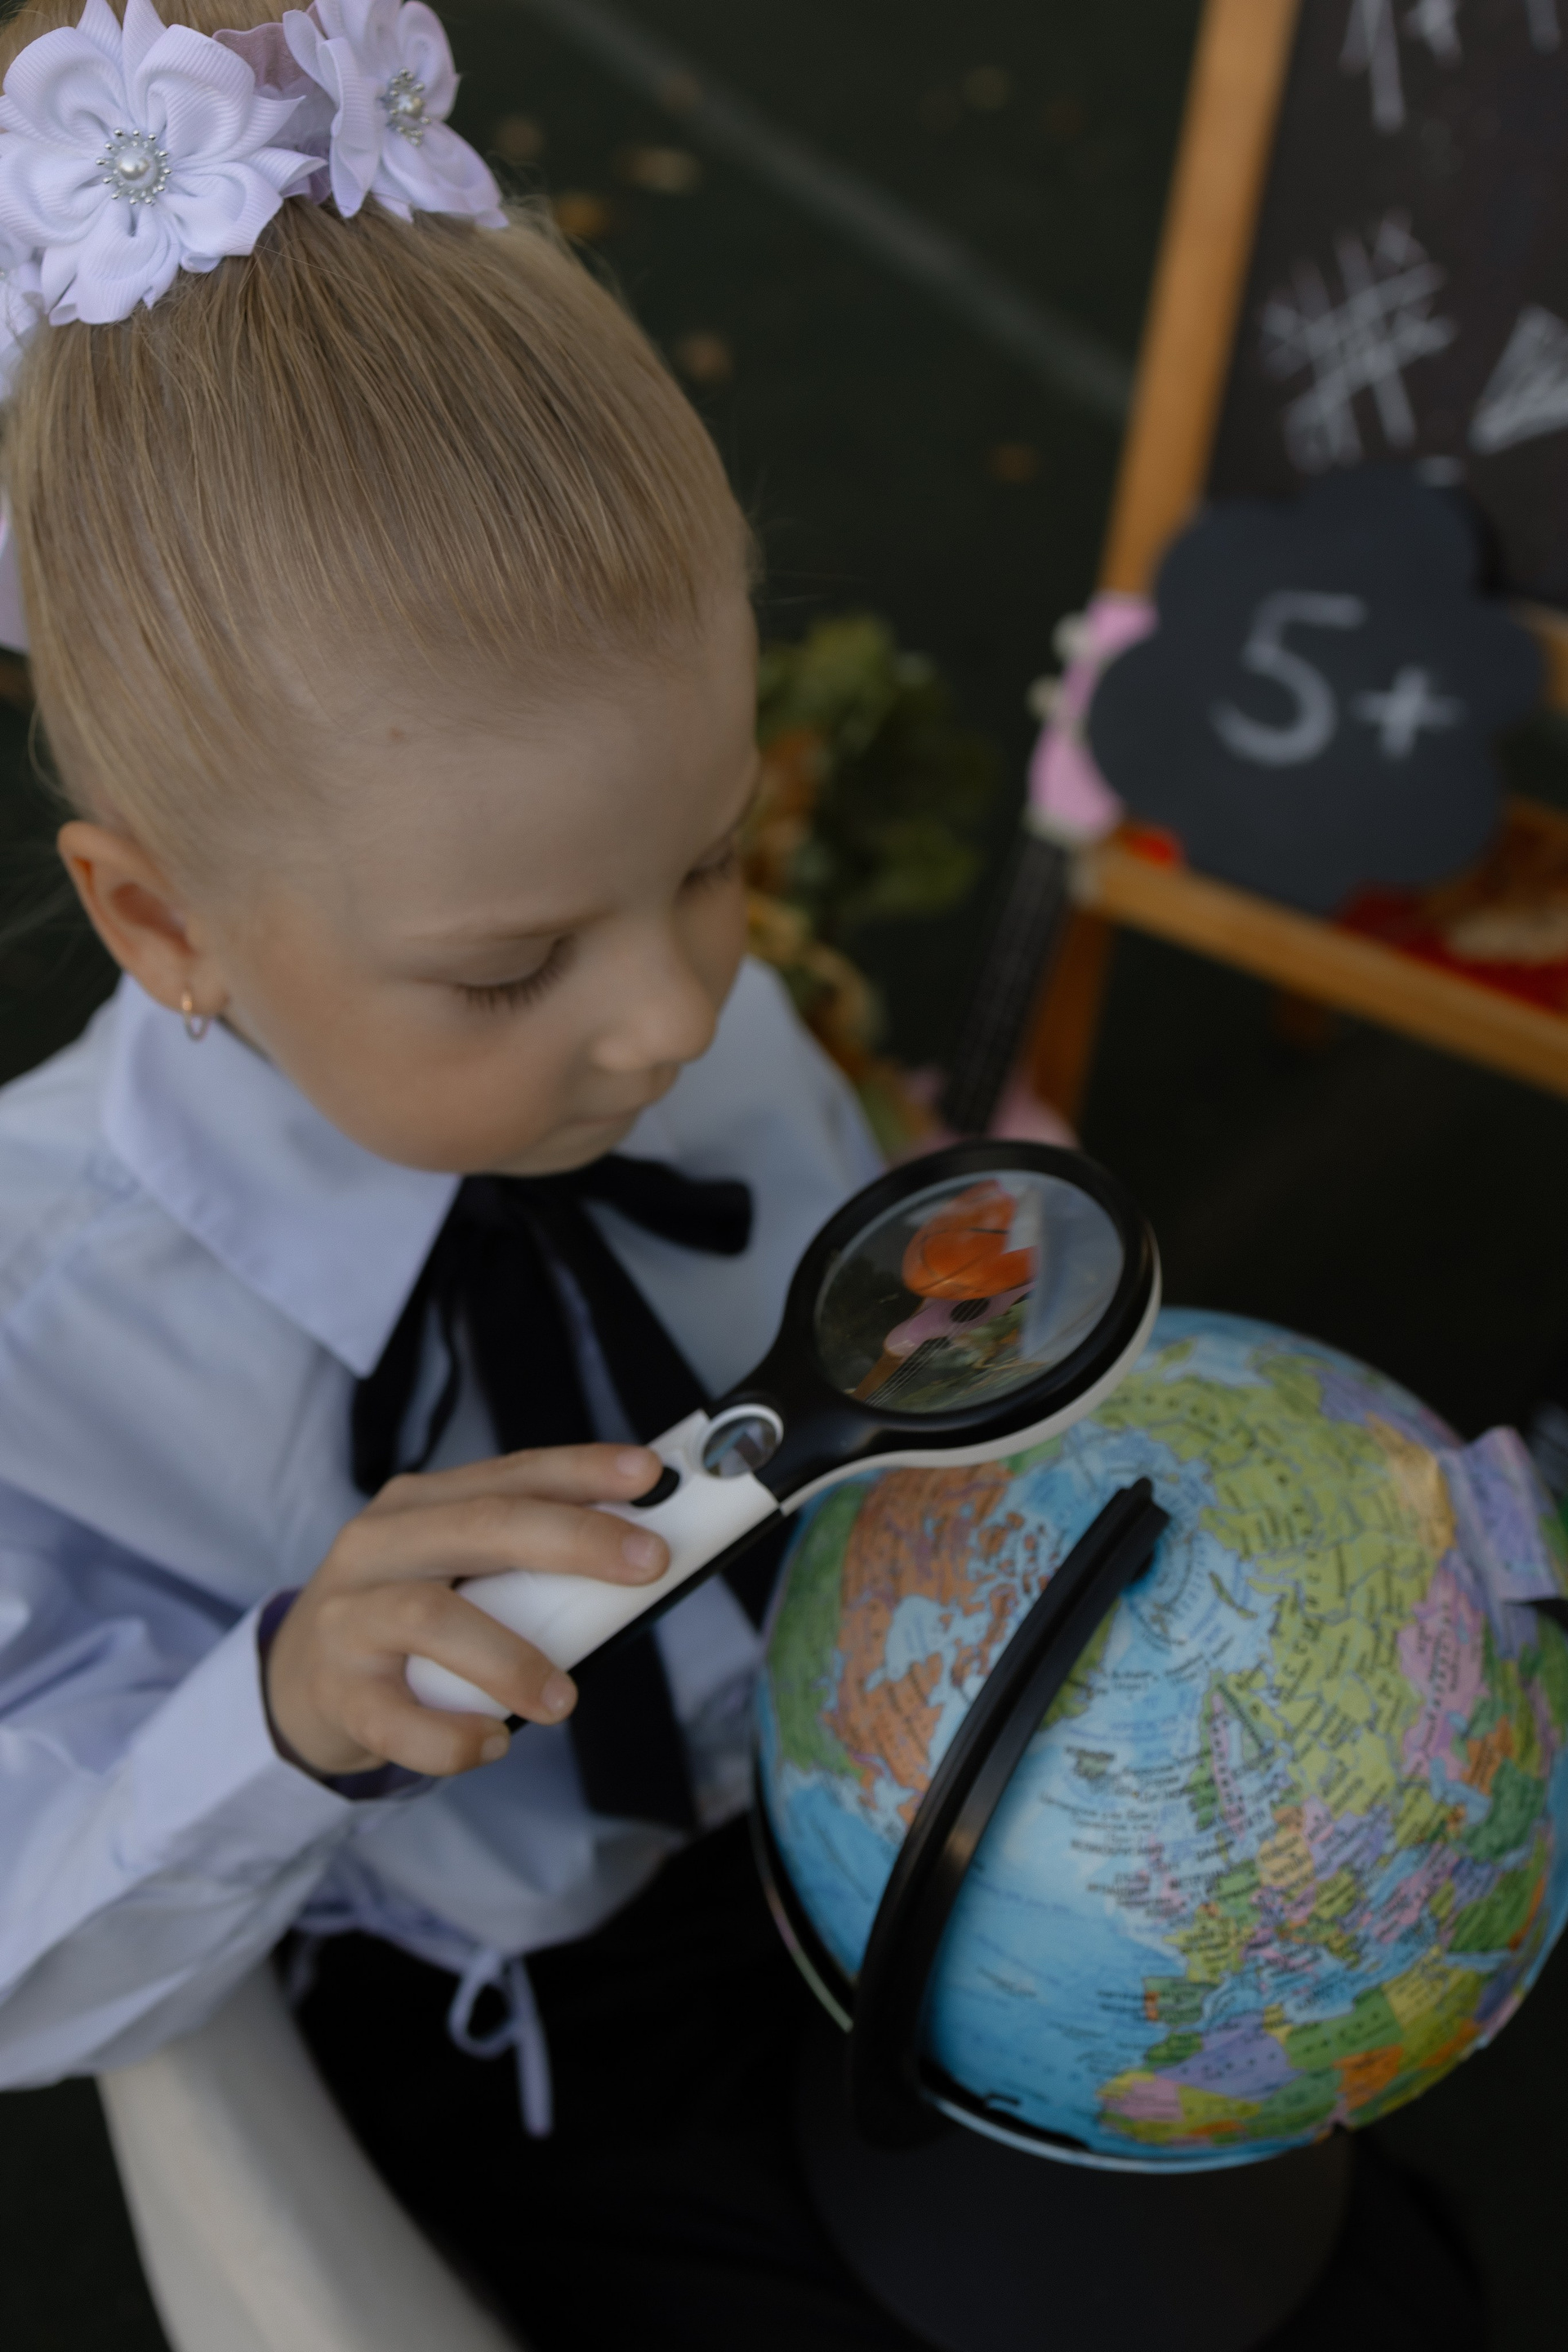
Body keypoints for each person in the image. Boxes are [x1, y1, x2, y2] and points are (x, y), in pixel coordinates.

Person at [0, 3, 926, 2343]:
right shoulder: (43, 1330)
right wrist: (281, 1711)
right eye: (507, 972)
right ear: (160, 924)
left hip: (875, 1782)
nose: (676, 1015)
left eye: (710, 861)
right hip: (520, 2026)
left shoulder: (686, 1040)